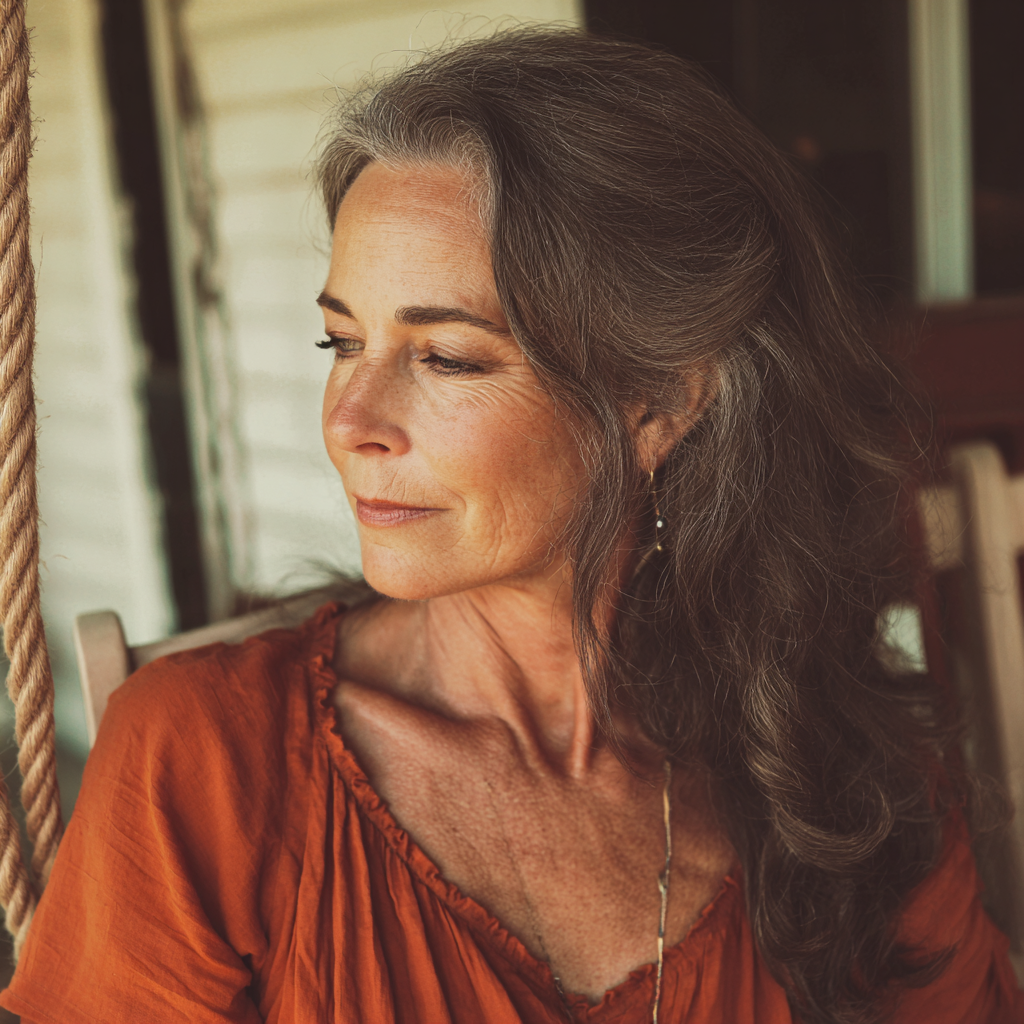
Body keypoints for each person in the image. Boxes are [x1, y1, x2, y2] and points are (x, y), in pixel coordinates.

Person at [2, 27, 1021, 1024]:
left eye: (445, 356)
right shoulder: (207, 761)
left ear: (660, 405)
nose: (349, 422)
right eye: (341, 340)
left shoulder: (840, 772)